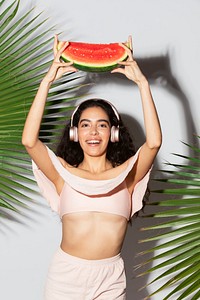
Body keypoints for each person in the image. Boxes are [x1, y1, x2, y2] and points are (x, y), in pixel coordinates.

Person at [22, 34, 162, 300]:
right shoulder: (62, 174)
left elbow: (153, 143)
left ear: (114, 133)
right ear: (75, 134)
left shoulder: (128, 176)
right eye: (85, 125)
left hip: (110, 277)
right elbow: (29, 141)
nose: (93, 132)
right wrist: (47, 81)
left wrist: (143, 84)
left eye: (102, 124)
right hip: (66, 277)